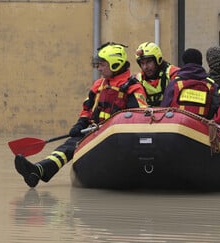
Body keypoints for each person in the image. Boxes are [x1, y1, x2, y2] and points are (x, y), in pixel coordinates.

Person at [14, 42, 148, 187]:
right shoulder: (99, 85)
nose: (99, 68)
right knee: (69, 145)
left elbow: (138, 117)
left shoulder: (133, 87)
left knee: (75, 144)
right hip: (93, 130)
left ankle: (39, 170)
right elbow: (87, 108)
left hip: (114, 137)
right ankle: (38, 170)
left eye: (102, 64)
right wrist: (80, 123)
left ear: (115, 64)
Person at [161, 48, 219, 118]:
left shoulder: (174, 83)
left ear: (184, 63)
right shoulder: (211, 85)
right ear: (201, 63)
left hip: (179, 126)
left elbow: (163, 109)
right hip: (202, 126)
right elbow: (216, 110)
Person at [135, 41, 179, 107]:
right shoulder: (138, 79)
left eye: (149, 62)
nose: (145, 67)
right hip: (148, 116)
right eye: (142, 63)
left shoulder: (172, 73)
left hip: (171, 115)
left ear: (158, 60)